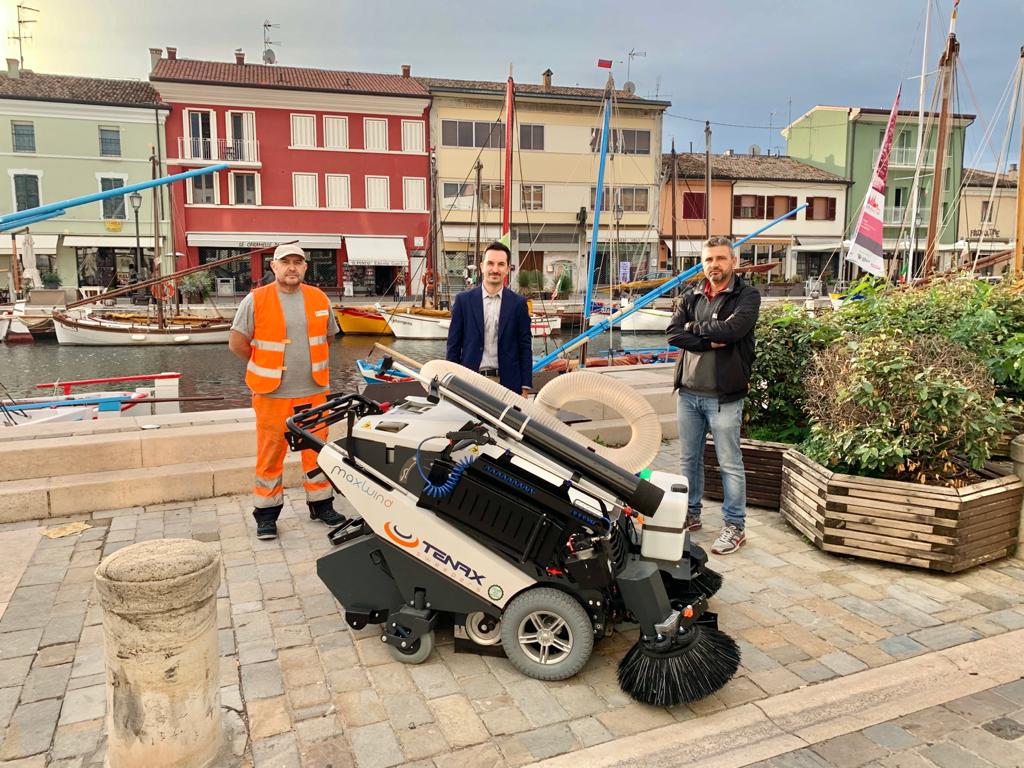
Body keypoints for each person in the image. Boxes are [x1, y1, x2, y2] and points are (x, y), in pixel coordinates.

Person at [228, 244, 344, 540]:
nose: (292, 267)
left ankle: (321, 505)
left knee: (316, 452)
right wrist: (268, 364)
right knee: (270, 454)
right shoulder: (255, 300)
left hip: (314, 390)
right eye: (285, 262)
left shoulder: (319, 298)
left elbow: (328, 337)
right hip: (272, 393)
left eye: (298, 262)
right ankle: (266, 516)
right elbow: (237, 343)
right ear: (273, 267)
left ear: (305, 267)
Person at [666, 236, 761, 555]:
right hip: (688, 394)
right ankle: (690, 514)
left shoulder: (747, 296)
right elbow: (673, 333)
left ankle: (735, 526)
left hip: (724, 396)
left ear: (733, 261)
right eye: (708, 260)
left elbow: (734, 332)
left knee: (729, 463)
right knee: (688, 459)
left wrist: (694, 328)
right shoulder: (690, 294)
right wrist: (706, 337)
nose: (714, 265)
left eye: (720, 258)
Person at [446, 241, 532, 396]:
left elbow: (525, 347)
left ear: (507, 268)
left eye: (500, 264)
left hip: (508, 385)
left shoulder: (518, 304)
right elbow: (453, 346)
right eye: (490, 263)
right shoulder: (463, 301)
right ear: (481, 266)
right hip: (470, 383)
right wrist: (452, 382)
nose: (495, 269)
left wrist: (525, 386)